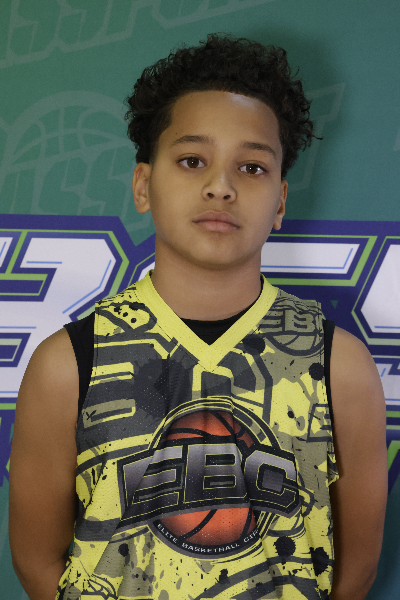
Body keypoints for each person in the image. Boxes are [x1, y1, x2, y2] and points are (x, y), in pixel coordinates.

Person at [9, 34, 387, 600]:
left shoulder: (340, 365)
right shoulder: (67, 365)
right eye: (192, 161)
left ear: (281, 202)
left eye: (251, 167)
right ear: (143, 184)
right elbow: (38, 562)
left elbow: (356, 571)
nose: (220, 187)